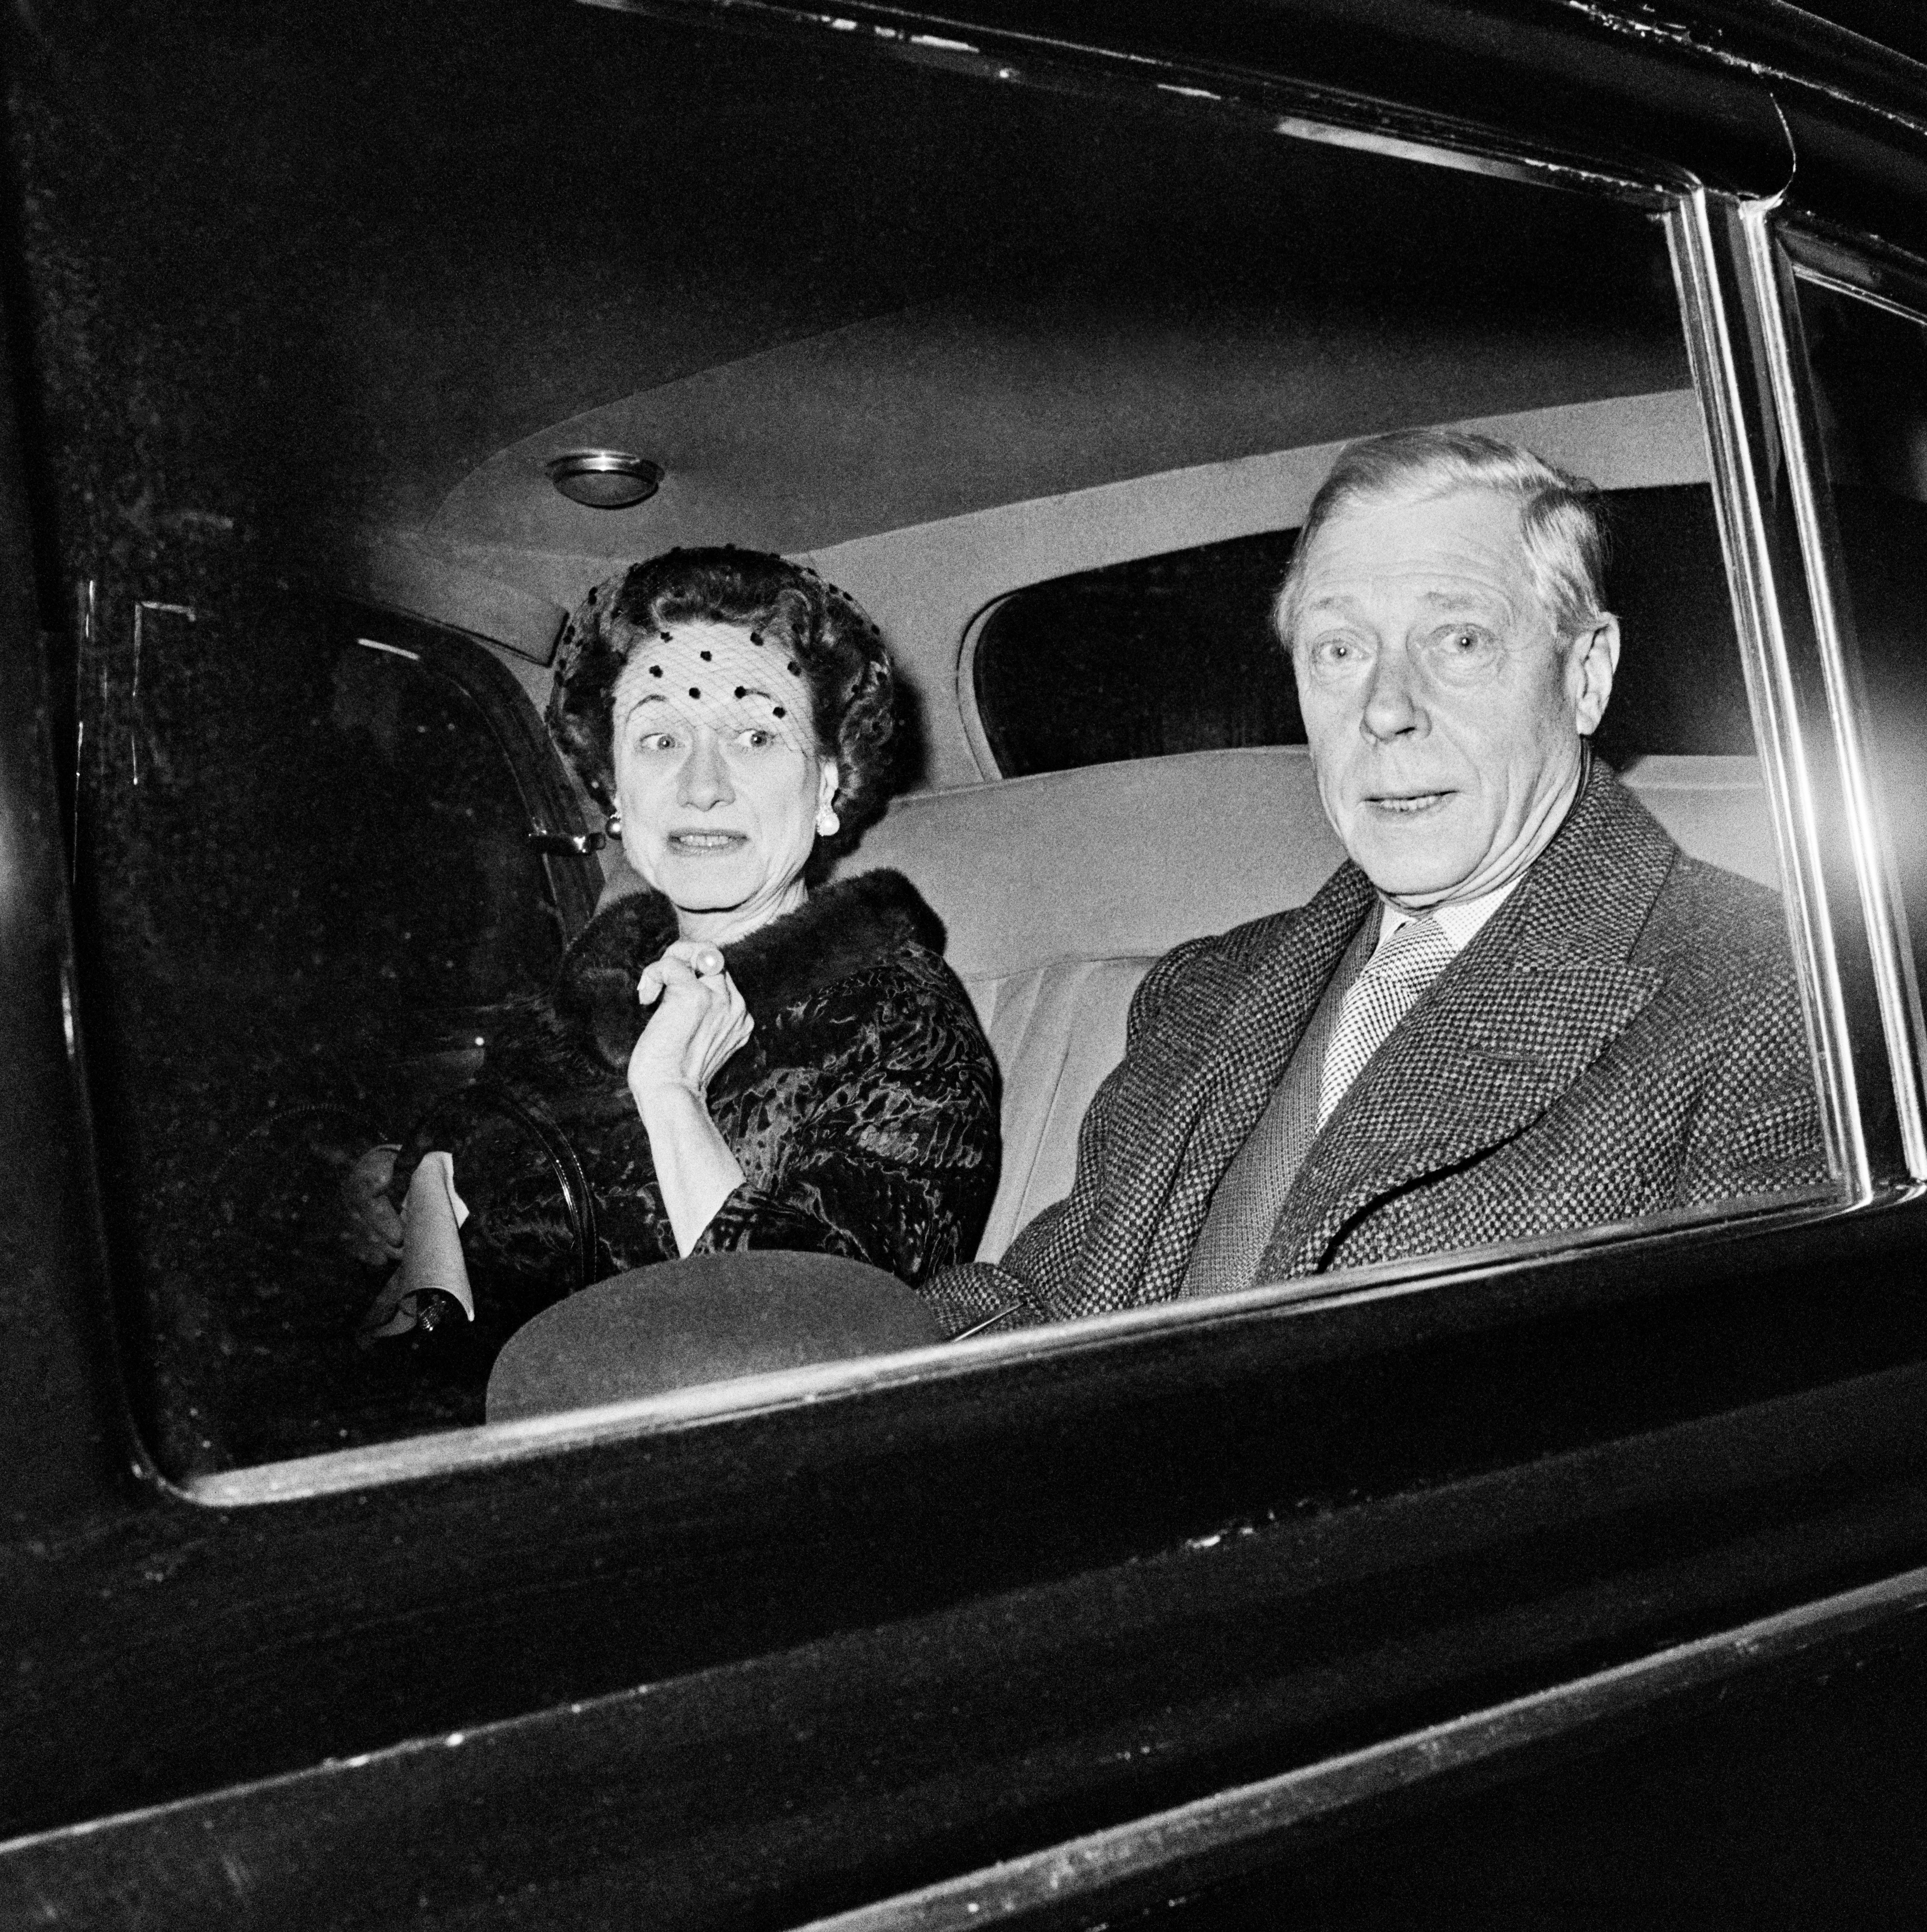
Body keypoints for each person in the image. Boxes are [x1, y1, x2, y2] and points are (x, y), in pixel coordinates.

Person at [925, 428, 1827, 1334]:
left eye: (1461, 637)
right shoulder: (1211, 988)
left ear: (1585, 675)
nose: (1387, 709)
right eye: (1340, 650)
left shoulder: (1780, 999)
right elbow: (1035, 1311)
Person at [344, 547, 999, 1373]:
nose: (700, 787)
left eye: (756, 735)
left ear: (829, 786)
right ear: (615, 792)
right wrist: (392, 1186)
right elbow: (477, 1148)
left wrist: (672, 1097)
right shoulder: (594, 987)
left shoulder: (902, 1022)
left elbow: (819, 1344)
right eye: (658, 739)